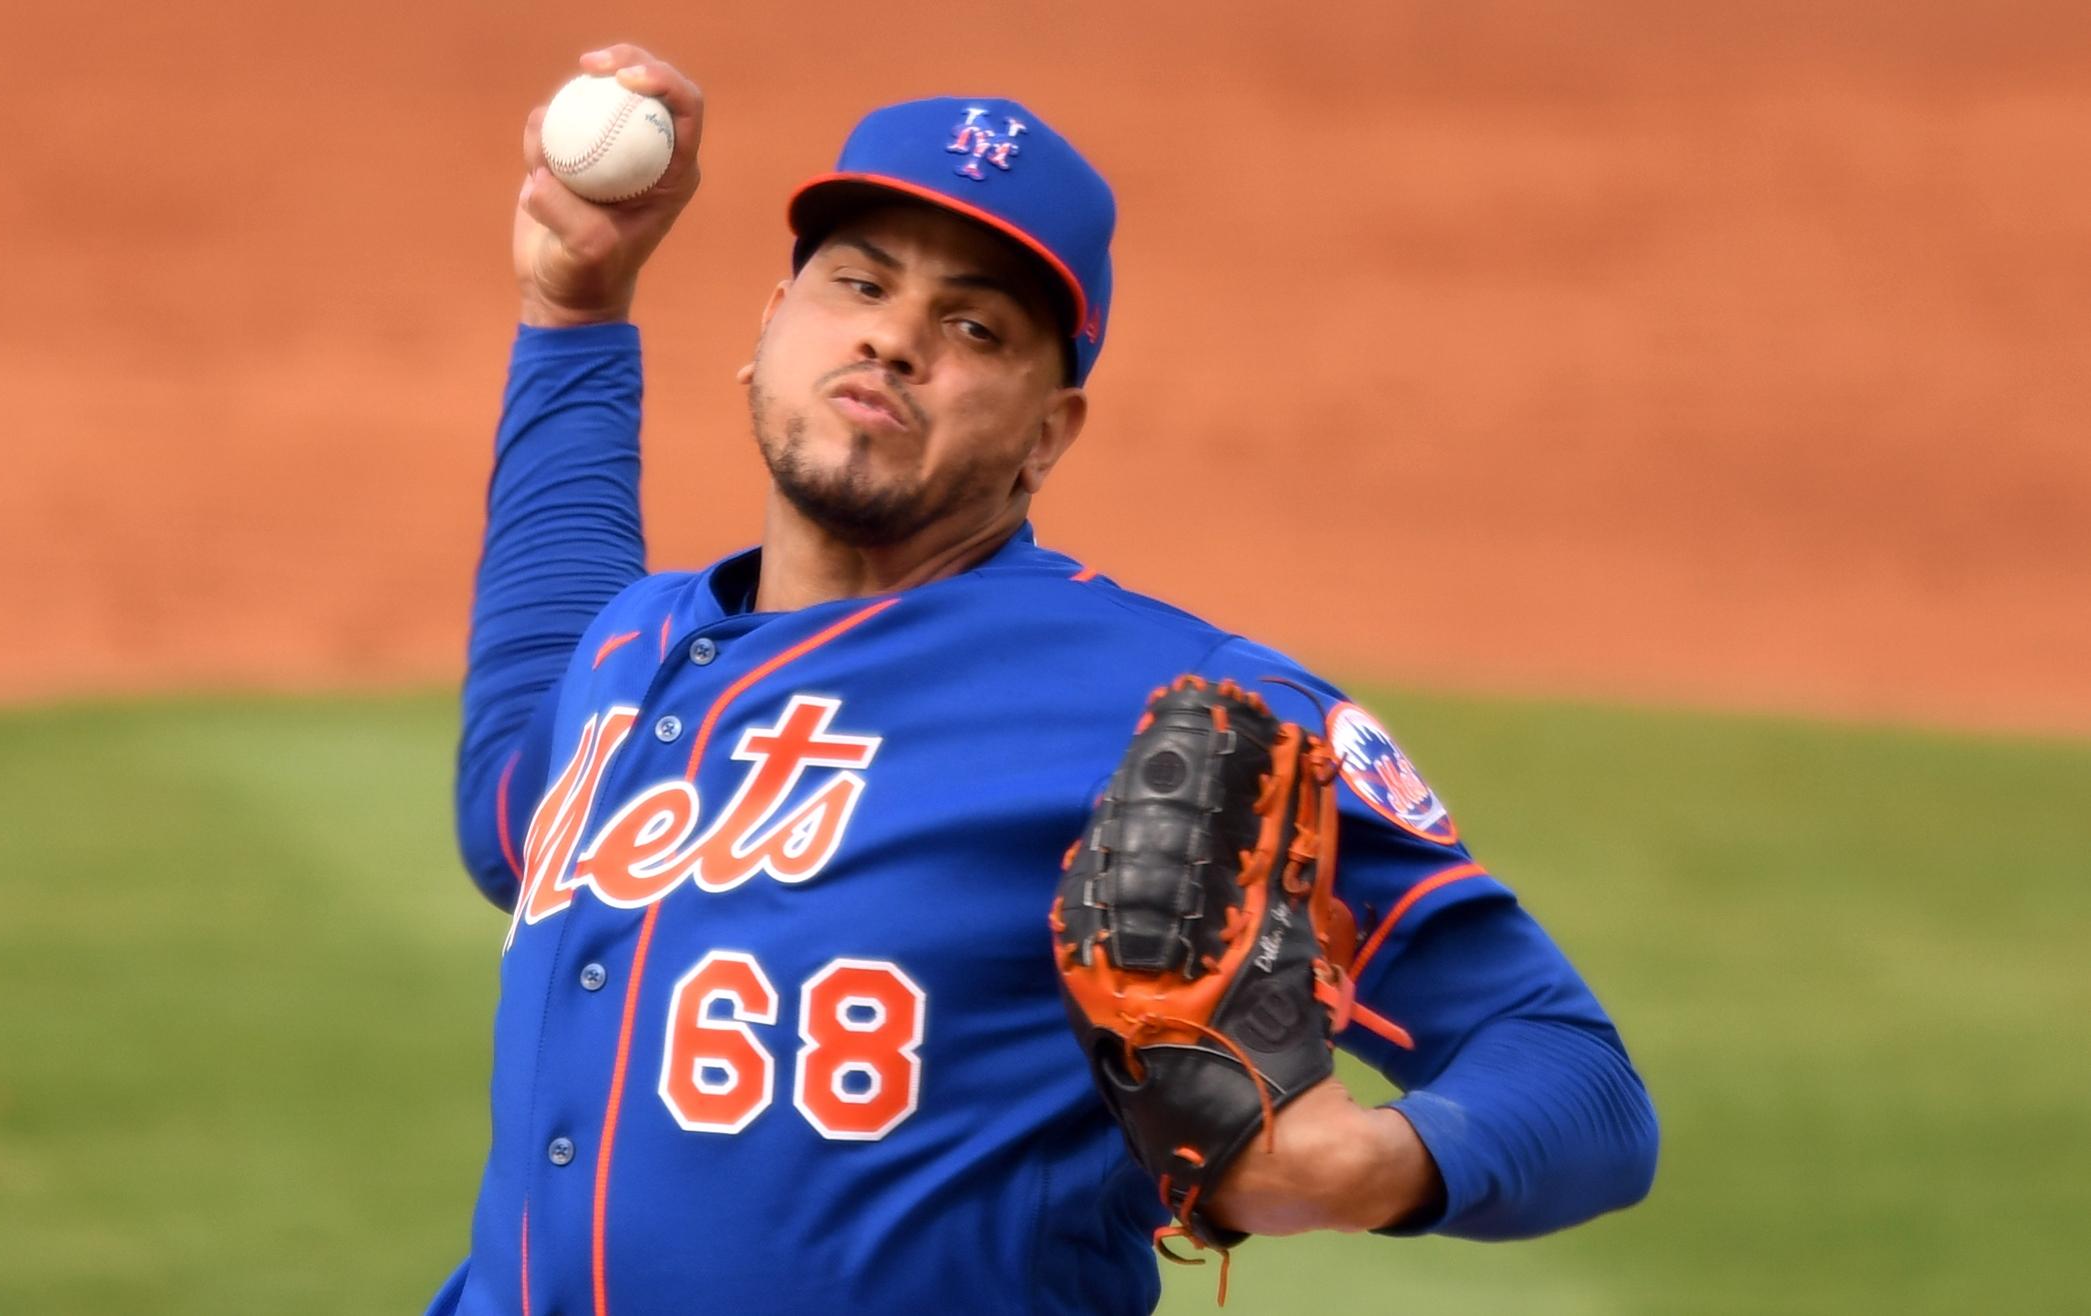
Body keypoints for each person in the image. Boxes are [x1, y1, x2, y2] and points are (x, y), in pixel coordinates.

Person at [426, 43, 1658, 1316]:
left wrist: (1349, 1166)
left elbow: (1579, 1080)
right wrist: (574, 312)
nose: (894, 337)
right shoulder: (630, 647)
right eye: (857, 281)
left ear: (1046, 434)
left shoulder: (1177, 704)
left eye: (973, 326)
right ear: (768, 328)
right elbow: (514, 810)